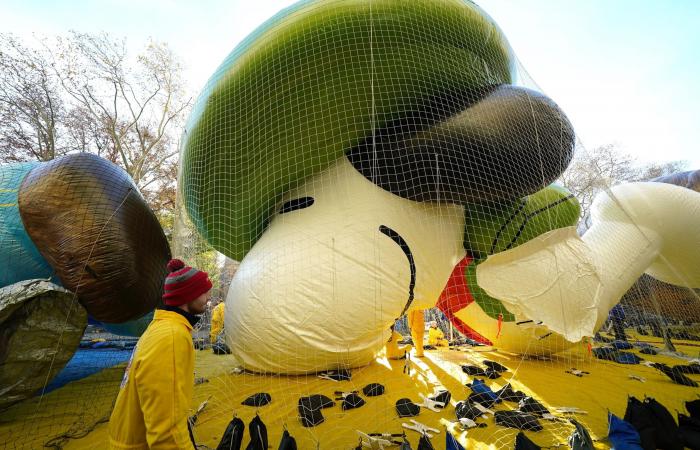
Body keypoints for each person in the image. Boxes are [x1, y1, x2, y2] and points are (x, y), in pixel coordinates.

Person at [108, 258, 212, 450]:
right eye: (203, 291)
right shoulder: (172, 337)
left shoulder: (162, 326)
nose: (208, 296)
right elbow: (167, 432)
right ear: (188, 295)